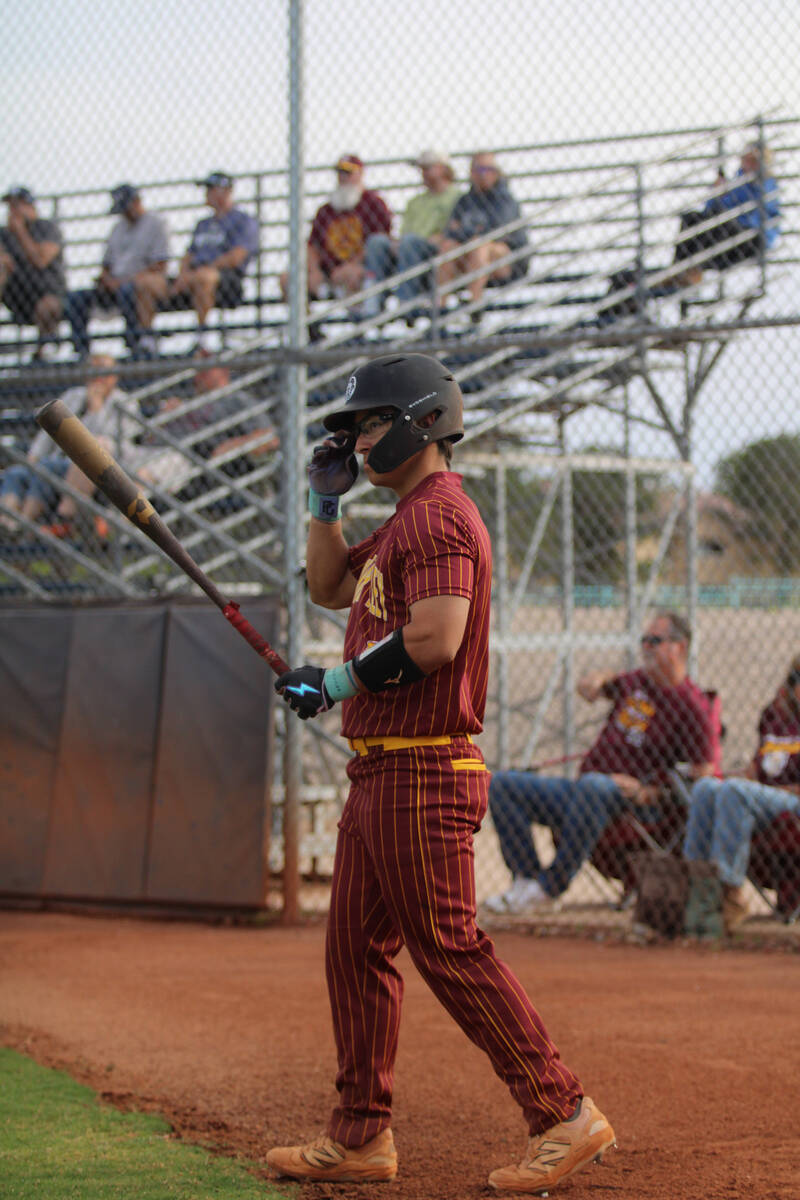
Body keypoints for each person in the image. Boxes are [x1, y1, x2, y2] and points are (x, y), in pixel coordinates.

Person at [266, 353, 615, 1196]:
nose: (355, 441)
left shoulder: (437, 517)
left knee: (450, 949)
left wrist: (335, 682)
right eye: (348, 432)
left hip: (423, 770)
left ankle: (563, 1114)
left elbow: (435, 639)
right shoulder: (398, 521)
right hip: (380, 772)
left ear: (423, 422)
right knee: (353, 951)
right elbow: (323, 586)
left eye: (369, 425)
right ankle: (360, 1137)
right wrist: (323, 500)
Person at [485, 612, 717, 914]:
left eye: (655, 641)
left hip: (636, 802)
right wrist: (598, 679)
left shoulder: (691, 705)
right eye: (644, 640)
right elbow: (594, 687)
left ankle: (549, 888)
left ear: (680, 647)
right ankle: (525, 881)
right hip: (587, 791)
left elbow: (704, 775)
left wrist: (648, 791)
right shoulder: (636, 682)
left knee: (596, 786)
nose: (645, 646)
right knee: (503, 784)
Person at [684, 654, 800, 933]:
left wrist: (755, 790)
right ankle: (698, 894)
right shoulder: (776, 717)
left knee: (736, 792)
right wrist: (726, 778)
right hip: (763, 800)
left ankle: (730, 893)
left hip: (793, 802)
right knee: (706, 789)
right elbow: (756, 768)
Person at [0, 355, 128, 535]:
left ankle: (23, 526)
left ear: (114, 378)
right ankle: (6, 525)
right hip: (53, 460)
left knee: (45, 468)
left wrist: (96, 408)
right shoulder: (73, 396)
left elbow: (99, 443)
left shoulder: (123, 403)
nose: (98, 379)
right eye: (93, 372)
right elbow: (48, 430)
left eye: (104, 373)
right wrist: (33, 457)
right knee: (16, 474)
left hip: (84, 469)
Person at [136, 350, 278, 497]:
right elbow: (147, 440)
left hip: (187, 460)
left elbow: (270, 438)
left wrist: (232, 446)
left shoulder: (236, 399)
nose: (199, 375)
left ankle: (119, 518)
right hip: (153, 452)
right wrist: (162, 419)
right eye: (198, 369)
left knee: (140, 475)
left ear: (223, 371)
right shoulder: (186, 402)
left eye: (206, 368)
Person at [64, 184, 171, 360]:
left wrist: (123, 281)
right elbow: (106, 265)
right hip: (114, 284)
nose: (125, 214)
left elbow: (160, 265)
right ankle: (81, 350)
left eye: (127, 208)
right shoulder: (117, 228)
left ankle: (134, 343)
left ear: (137, 202)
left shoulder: (156, 223)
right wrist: (105, 279)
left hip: (137, 283)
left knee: (127, 291)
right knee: (75, 298)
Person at [279, 155, 393, 310]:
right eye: (340, 173)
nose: (343, 178)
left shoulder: (373, 203)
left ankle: (358, 329)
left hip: (360, 268)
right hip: (328, 269)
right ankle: (308, 330)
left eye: (348, 173)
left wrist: (352, 265)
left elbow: (380, 240)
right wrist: (314, 271)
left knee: (352, 276)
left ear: (360, 174)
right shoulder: (326, 209)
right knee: (287, 279)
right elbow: (312, 245)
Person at [360, 149, 460, 319]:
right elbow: (404, 232)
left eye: (428, 168)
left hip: (434, 250)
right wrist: (395, 243)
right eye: (422, 169)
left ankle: (407, 301)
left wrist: (441, 237)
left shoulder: (456, 197)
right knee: (377, 242)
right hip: (408, 247)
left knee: (410, 242)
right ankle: (374, 300)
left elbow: (456, 230)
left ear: (443, 169)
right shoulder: (415, 202)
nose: (423, 173)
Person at [168, 171, 259, 350]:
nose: (207, 194)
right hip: (194, 275)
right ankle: (145, 341)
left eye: (211, 189)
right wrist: (184, 274)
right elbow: (189, 255)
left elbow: (237, 256)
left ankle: (202, 336)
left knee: (205, 278)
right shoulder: (203, 224)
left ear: (225, 191)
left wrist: (203, 270)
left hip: (228, 279)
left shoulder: (243, 220)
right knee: (147, 283)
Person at [671, 141, 780, 286]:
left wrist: (727, 203)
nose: (747, 165)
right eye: (745, 160)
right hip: (730, 228)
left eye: (753, 161)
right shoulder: (737, 181)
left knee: (720, 226)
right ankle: (681, 271)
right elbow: (710, 210)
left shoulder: (765, 183)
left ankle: (689, 271)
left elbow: (752, 217)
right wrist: (719, 194)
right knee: (692, 218)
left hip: (752, 236)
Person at [437, 151, 529, 316]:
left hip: (506, 260)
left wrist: (466, 231)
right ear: (471, 173)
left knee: (480, 245)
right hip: (470, 254)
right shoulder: (465, 201)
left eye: (489, 169)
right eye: (479, 170)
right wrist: (472, 232)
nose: (484, 174)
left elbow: (498, 233)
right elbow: (451, 231)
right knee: (448, 246)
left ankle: (475, 303)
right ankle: (440, 307)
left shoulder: (505, 200)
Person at [0, 185, 65, 361]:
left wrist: (20, 232)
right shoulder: (3, 234)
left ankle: (44, 350)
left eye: (17, 206)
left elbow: (40, 260)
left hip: (46, 292)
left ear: (29, 207)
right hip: (15, 294)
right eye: (10, 207)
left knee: (48, 306)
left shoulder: (46, 227)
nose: (12, 212)